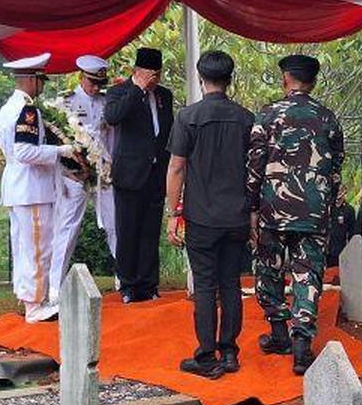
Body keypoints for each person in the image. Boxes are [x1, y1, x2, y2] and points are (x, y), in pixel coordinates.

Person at [248, 54, 345, 375]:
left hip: (273, 208)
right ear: (313, 82)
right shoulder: (328, 118)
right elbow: (336, 168)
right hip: (314, 210)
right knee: (308, 274)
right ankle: (301, 347)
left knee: (270, 269)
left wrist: (251, 207)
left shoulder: (268, 115)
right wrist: (327, 206)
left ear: (286, 79)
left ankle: (278, 334)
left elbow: (255, 167)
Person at [165, 50, 254, 379]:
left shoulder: (188, 117)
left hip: (201, 215)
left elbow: (176, 167)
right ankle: (229, 352)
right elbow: (253, 171)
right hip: (237, 216)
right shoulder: (246, 119)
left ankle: (206, 356)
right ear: (230, 80)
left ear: (202, 80)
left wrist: (173, 212)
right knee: (230, 283)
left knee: (205, 286)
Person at [0, 53, 76, 323]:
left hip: (20, 187)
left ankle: (27, 295)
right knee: (38, 248)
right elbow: (25, 151)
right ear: (31, 79)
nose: (42, 85)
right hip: (31, 187)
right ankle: (35, 304)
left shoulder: (8, 108)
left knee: (25, 246)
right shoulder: (27, 110)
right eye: (41, 79)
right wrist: (61, 150)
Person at [105, 47, 174, 303]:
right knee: (128, 230)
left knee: (149, 232)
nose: (154, 78)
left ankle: (148, 284)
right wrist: (138, 89)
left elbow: (167, 131)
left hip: (156, 173)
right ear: (137, 71)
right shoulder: (120, 92)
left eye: (158, 73)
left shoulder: (164, 95)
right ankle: (128, 285)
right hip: (130, 173)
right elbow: (113, 117)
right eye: (150, 73)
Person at [50, 58, 106, 299]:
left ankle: (122, 279)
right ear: (81, 77)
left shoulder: (106, 101)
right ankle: (55, 286)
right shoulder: (65, 102)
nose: (96, 87)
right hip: (74, 175)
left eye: (100, 83)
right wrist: (68, 170)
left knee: (113, 225)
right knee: (68, 228)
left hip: (103, 174)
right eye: (92, 82)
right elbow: (58, 139)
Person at [326, 185, 359, 267]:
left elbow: (352, 231)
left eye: (341, 191)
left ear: (345, 193)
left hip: (341, 247)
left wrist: (350, 248)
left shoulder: (349, 210)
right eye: (337, 191)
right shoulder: (328, 208)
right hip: (327, 248)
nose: (339, 194)